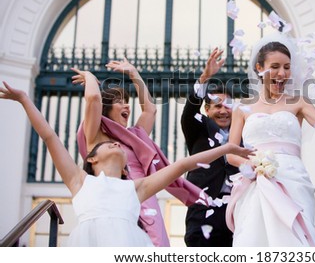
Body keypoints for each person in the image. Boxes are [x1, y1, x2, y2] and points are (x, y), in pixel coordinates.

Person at [0, 81, 255, 247]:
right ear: (91, 157)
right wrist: (24, 99)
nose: (117, 145)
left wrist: (228, 148)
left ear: (126, 169)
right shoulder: (79, 181)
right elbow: (49, 136)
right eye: (110, 145)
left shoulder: (136, 187)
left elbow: (183, 164)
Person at [224, 32, 315, 246]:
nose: (282, 73)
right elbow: (230, 153)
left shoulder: (299, 102)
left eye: (286, 67)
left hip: (292, 179)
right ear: (259, 69)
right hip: (256, 182)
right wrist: (251, 164)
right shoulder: (242, 108)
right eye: (275, 66)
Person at [72, 58, 204, 247]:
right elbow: (93, 99)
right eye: (119, 102)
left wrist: (134, 74)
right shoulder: (96, 136)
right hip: (115, 201)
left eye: (127, 102)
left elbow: (150, 110)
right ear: (106, 109)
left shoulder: (134, 135)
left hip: (144, 196)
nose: (127, 106)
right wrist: (90, 77)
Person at [181, 48, 240, 247]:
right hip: (203, 211)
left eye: (228, 105)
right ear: (207, 109)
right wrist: (205, 77)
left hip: (238, 212)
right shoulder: (198, 128)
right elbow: (189, 112)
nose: (223, 110)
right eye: (217, 106)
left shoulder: (244, 133)